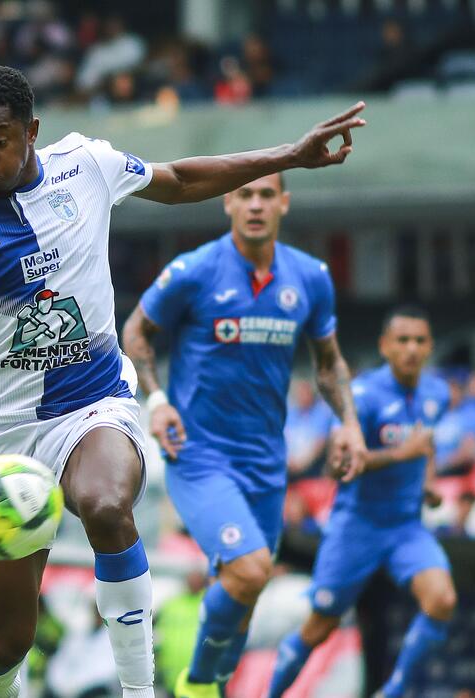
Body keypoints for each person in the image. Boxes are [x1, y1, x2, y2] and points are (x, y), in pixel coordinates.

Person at [0, 64, 365, 698]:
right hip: (5, 441)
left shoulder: (87, 164)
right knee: (7, 641)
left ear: (31, 130)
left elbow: (182, 179)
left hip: (93, 403)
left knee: (108, 505)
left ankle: (139, 690)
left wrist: (289, 155)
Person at [122, 170, 367, 697]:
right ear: (227, 203)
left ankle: (214, 682)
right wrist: (158, 400)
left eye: (266, 195)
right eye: (245, 194)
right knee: (252, 571)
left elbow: (328, 363)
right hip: (199, 453)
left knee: (242, 596)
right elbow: (136, 330)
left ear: (284, 203)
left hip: (265, 462)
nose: (255, 204)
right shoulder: (195, 270)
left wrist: (348, 423)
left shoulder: (310, 277)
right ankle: (198, 685)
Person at [268, 307, 456, 698]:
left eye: (420, 340)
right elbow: (339, 468)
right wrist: (404, 454)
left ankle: (392, 691)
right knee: (319, 628)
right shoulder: (362, 397)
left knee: (442, 599)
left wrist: (428, 482)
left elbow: (428, 444)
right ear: (384, 346)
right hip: (358, 526)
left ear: (430, 346)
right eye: (402, 340)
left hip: (406, 527)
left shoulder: (436, 392)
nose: (411, 349)